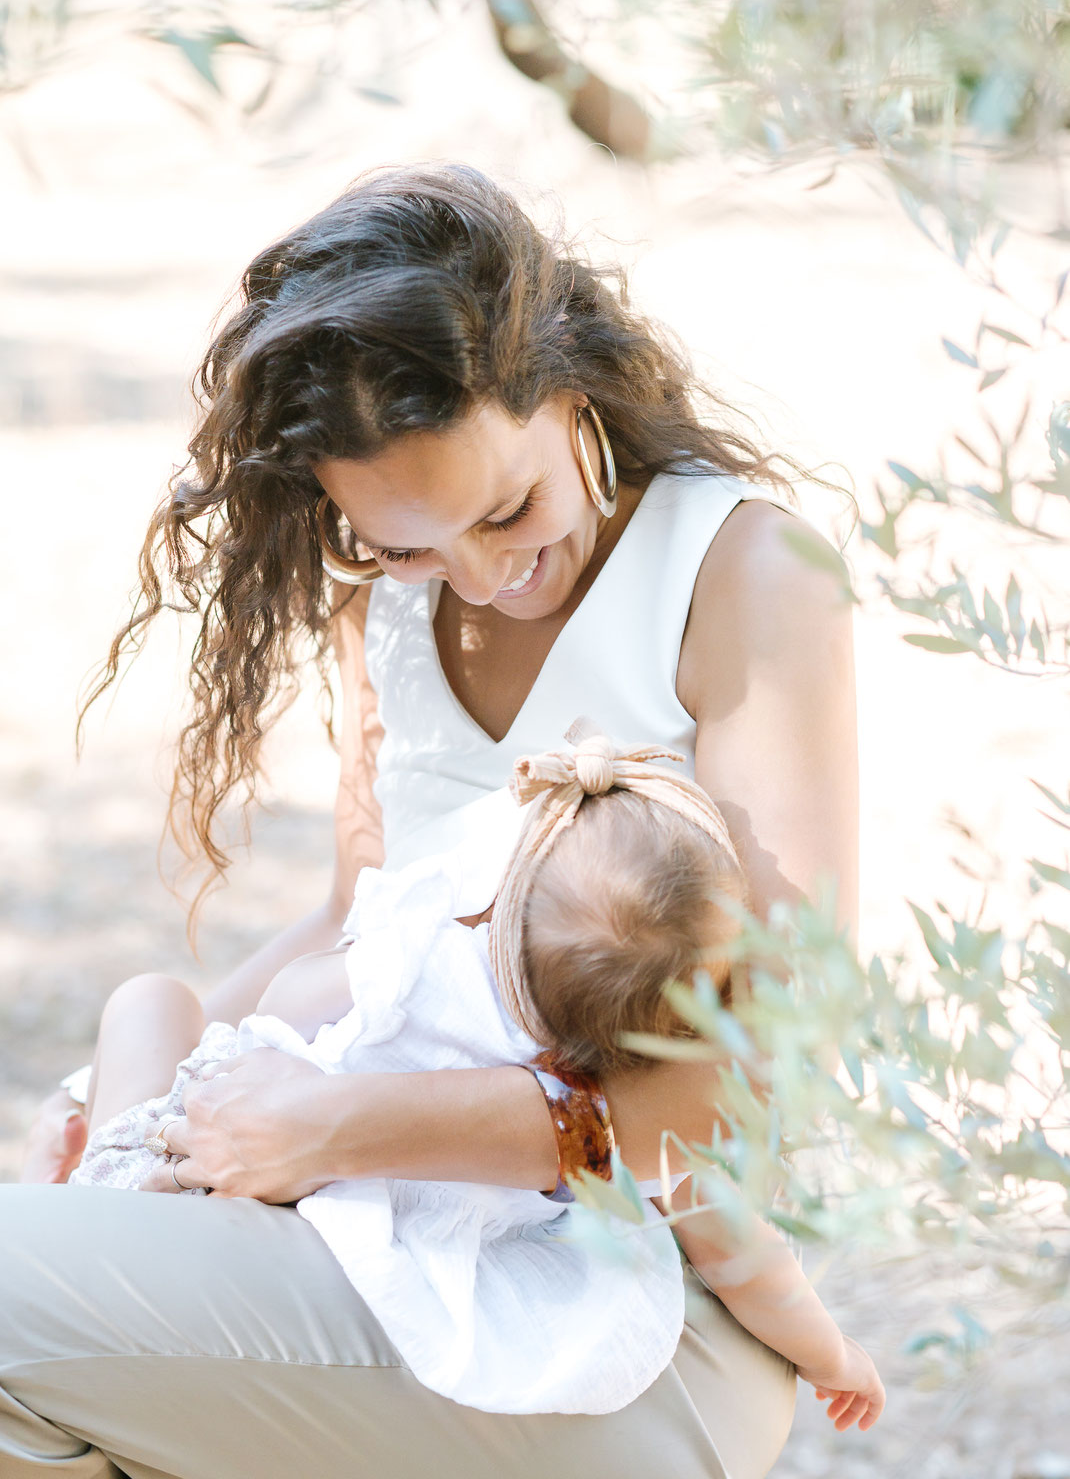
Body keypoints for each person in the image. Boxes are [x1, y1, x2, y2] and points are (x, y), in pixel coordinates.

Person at [5, 162, 858, 1479]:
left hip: (618, 1311)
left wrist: (335, 1127)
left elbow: (749, 1082)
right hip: (363, 1242)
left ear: (569, 388)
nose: (479, 573)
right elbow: (363, 929)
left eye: (506, 507)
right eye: (402, 542)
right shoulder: (385, 608)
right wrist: (133, 1108)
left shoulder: (742, 575)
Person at [69, 732, 883, 1431]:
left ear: (500, 904)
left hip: (188, 1190)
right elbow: (750, 1261)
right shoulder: (627, 1106)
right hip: (363, 1297)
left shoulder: (410, 968)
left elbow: (282, 1008)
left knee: (149, 1001)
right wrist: (835, 1354)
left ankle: (72, 1209)